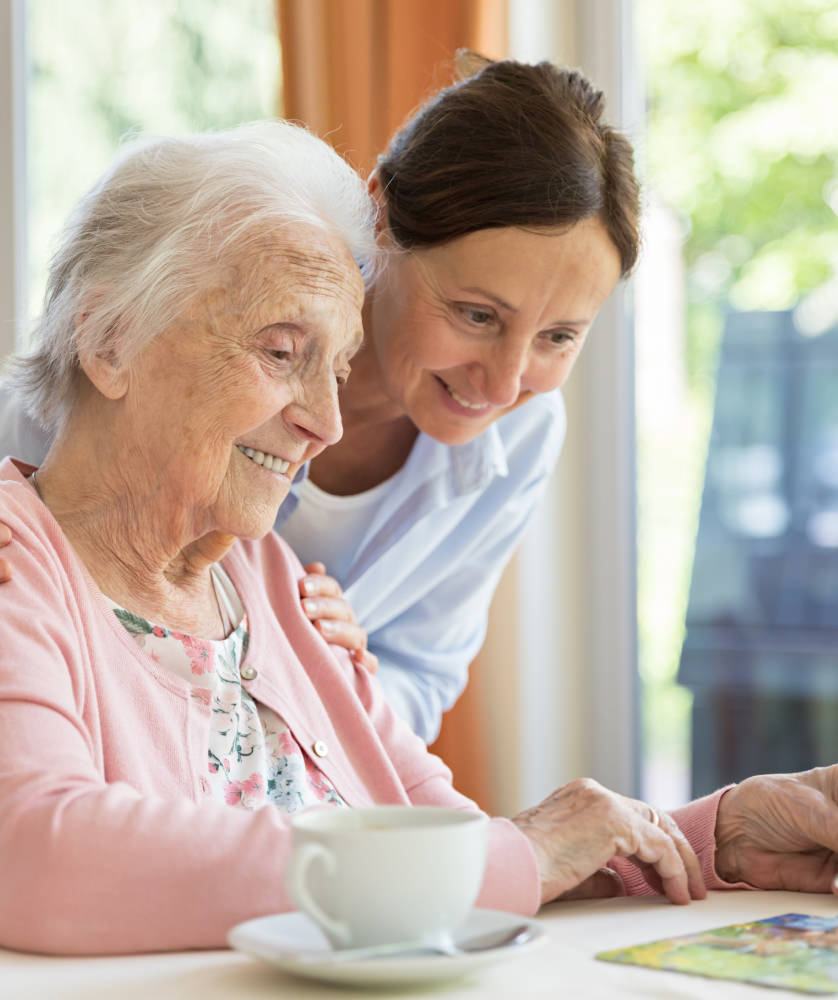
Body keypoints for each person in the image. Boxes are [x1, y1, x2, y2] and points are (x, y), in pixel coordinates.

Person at [3, 122, 838, 958]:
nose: (325, 423)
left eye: (335, 371)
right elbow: (37, 858)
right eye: (281, 350)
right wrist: (510, 854)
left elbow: (468, 854)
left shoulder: (274, 580)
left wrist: (702, 839)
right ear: (109, 340)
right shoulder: (20, 559)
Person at [0, 54, 639, 743]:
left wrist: (338, 670)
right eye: (476, 316)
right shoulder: (189, 356)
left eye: (559, 336)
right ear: (382, 217)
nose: (507, 382)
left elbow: (419, 673)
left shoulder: (524, 432)